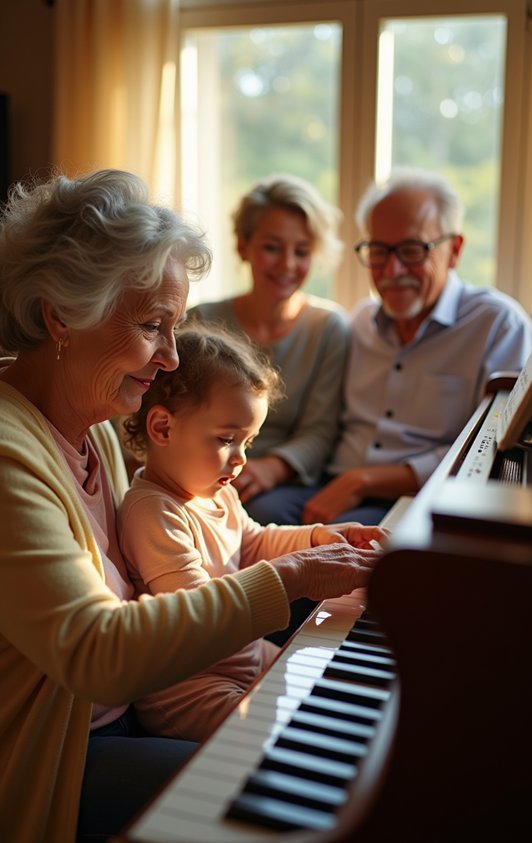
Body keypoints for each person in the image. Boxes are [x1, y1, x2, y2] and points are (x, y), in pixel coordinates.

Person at [0, 168, 383, 843]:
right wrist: (292, 579)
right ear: (62, 314)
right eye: (153, 326)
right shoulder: (10, 455)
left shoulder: (92, 427)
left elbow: (219, 541)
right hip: (58, 758)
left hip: (130, 715)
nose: (170, 359)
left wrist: (313, 549)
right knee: (290, 797)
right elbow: (95, 650)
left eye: (176, 327)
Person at [117, 325, 384, 743]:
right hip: (191, 690)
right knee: (286, 735)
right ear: (163, 429)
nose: (241, 459)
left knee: (325, 694)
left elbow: (255, 542)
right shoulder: (152, 510)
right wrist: (297, 571)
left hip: (245, 656)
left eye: (248, 441)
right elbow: (195, 612)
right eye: (227, 440)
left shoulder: (214, 492)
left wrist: (317, 538)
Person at [283, 166, 532, 526]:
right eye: (379, 251)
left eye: (411, 250)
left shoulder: (497, 325)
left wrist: (364, 480)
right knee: (246, 516)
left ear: (454, 250)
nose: (392, 269)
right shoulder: (358, 322)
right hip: (327, 484)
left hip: (423, 497)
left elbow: (494, 449)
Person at [187, 173, 349, 526]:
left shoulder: (330, 328)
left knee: (260, 513)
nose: (287, 265)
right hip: (196, 470)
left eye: (302, 251)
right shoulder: (200, 320)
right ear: (243, 245)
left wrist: (269, 469)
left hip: (279, 482)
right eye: (272, 247)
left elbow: (319, 432)